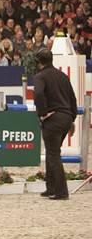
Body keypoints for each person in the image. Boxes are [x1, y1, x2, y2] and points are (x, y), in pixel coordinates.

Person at [33, 49, 77, 200]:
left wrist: (42, 113)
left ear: (39, 62)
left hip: (52, 118)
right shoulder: (63, 76)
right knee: (52, 152)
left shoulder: (40, 76)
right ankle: (50, 187)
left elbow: (38, 94)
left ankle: (61, 192)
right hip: (66, 117)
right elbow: (72, 98)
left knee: (53, 155)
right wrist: (72, 118)